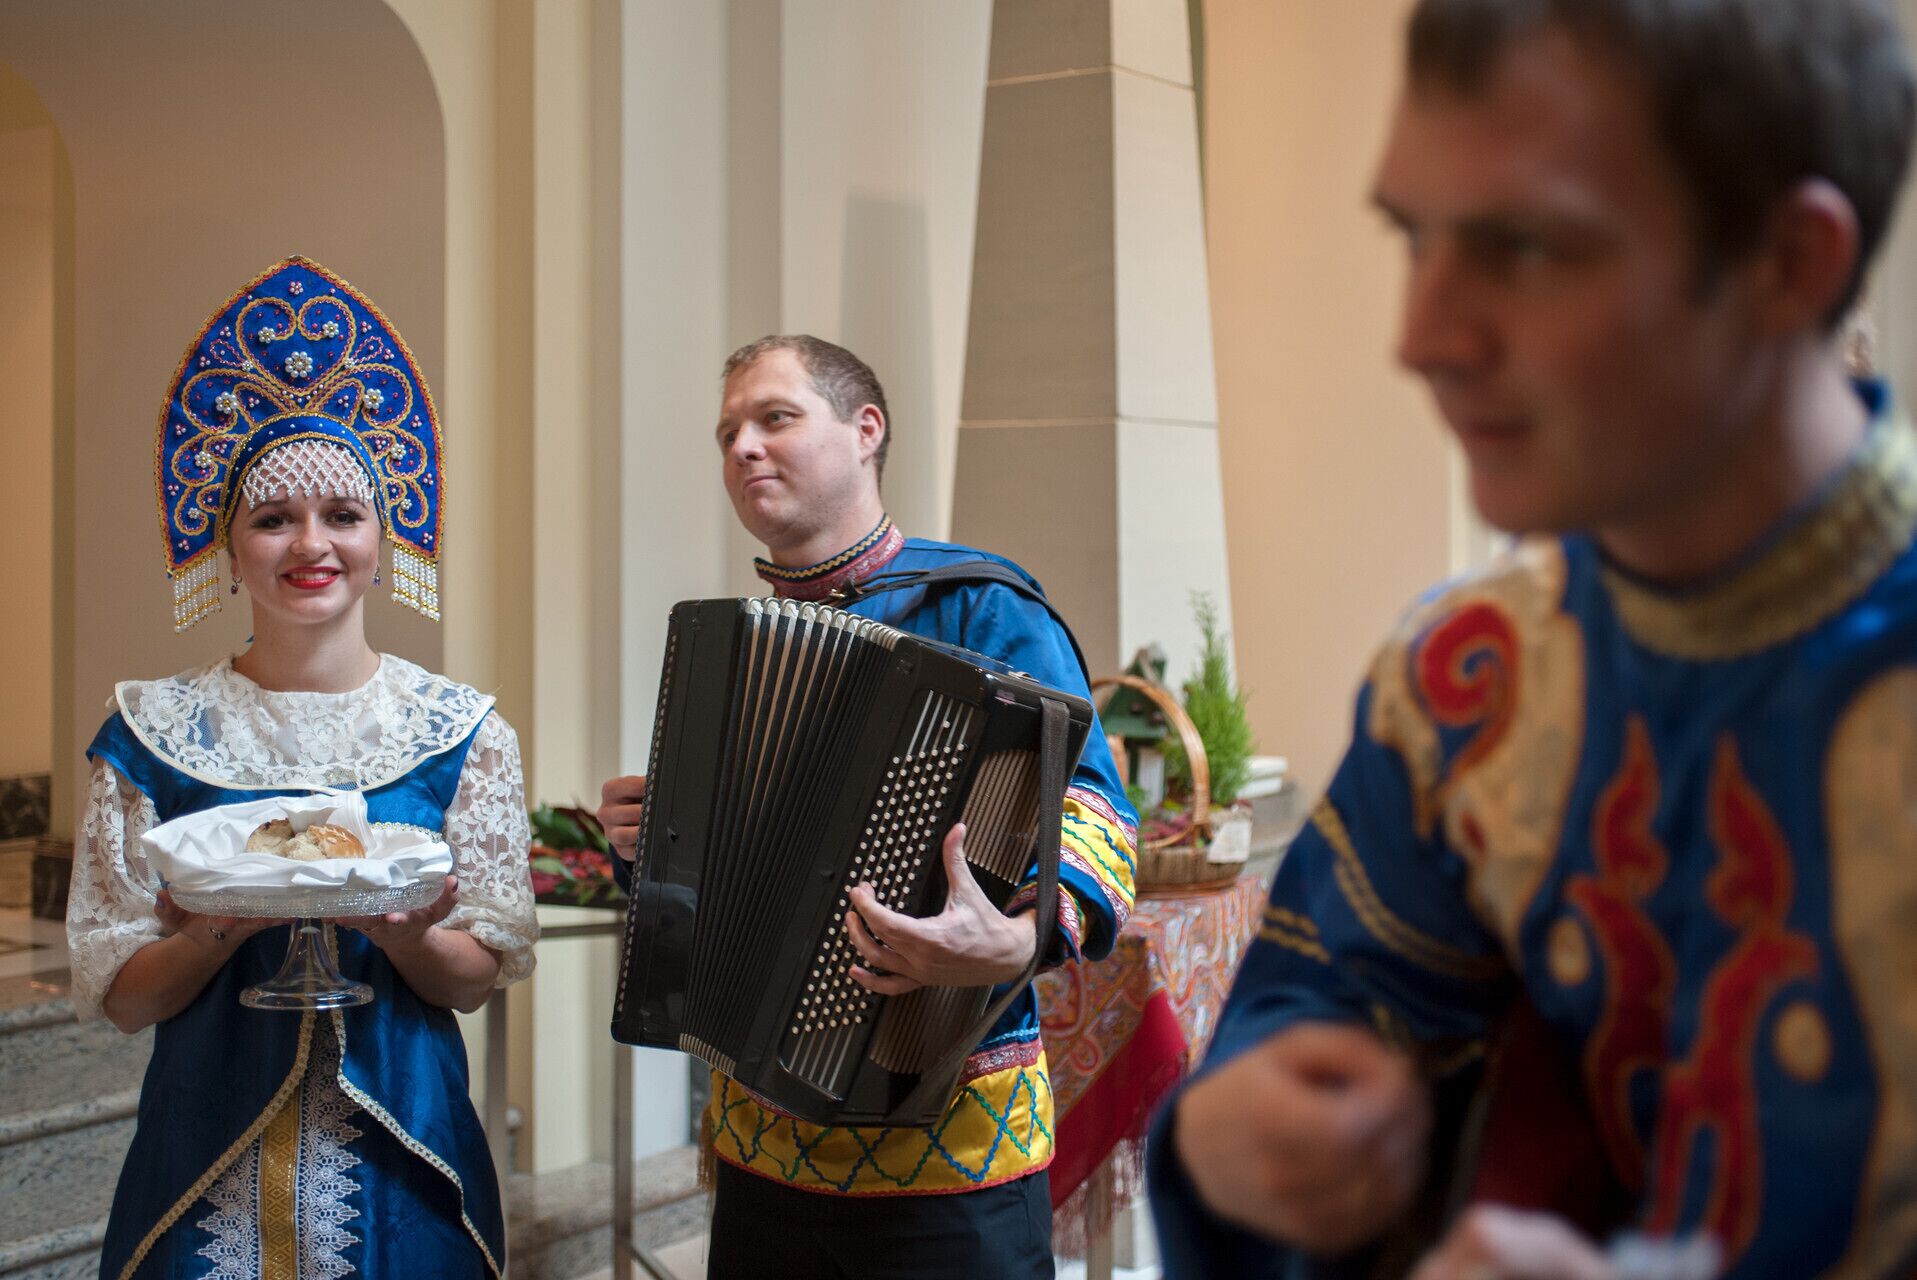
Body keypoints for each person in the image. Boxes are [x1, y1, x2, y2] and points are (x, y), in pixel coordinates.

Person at [1149, 1, 1917, 1277]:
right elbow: (1312, 1021)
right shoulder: (1465, 682)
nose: (1421, 337)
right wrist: (1242, 1141)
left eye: (1529, 246)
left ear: (1792, 261)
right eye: (1413, 237)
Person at [598, 334, 1138, 1279]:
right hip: (763, 1146)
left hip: (950, 1142)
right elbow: (721, 890)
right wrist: (650, 844)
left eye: (776, 417)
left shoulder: (985, 606)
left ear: (864, 430)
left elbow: (1095, 803)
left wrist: (1016, 942)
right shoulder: (727, 647)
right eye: (728, 432)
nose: (743, 448)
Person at [66, 256, 538, 1278]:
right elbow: (125, 996)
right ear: (225, 544)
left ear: (386, 534)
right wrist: (215, 927)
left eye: (343, 515)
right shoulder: (151, 730)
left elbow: (472, 980)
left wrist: (404, 934)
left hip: (403, 1163)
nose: (309, 545)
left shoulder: (464, 731)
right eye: (274, 517)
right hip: (202, 1158)